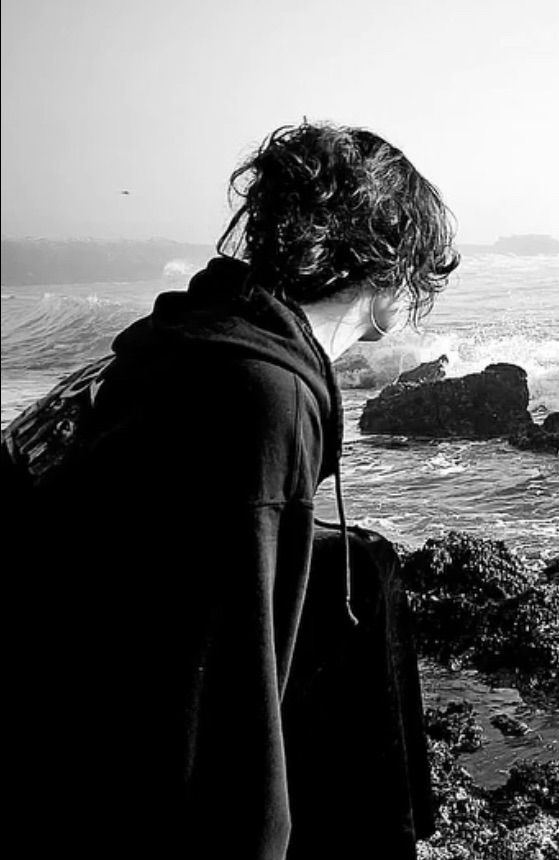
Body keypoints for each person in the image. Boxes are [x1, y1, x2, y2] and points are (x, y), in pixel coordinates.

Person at [4, 122, 459, 858]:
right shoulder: (258, 398)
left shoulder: (200, 337)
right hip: (62, 719)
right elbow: (223, 686)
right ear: (389, 264)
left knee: (363, 575)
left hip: (65, 623)